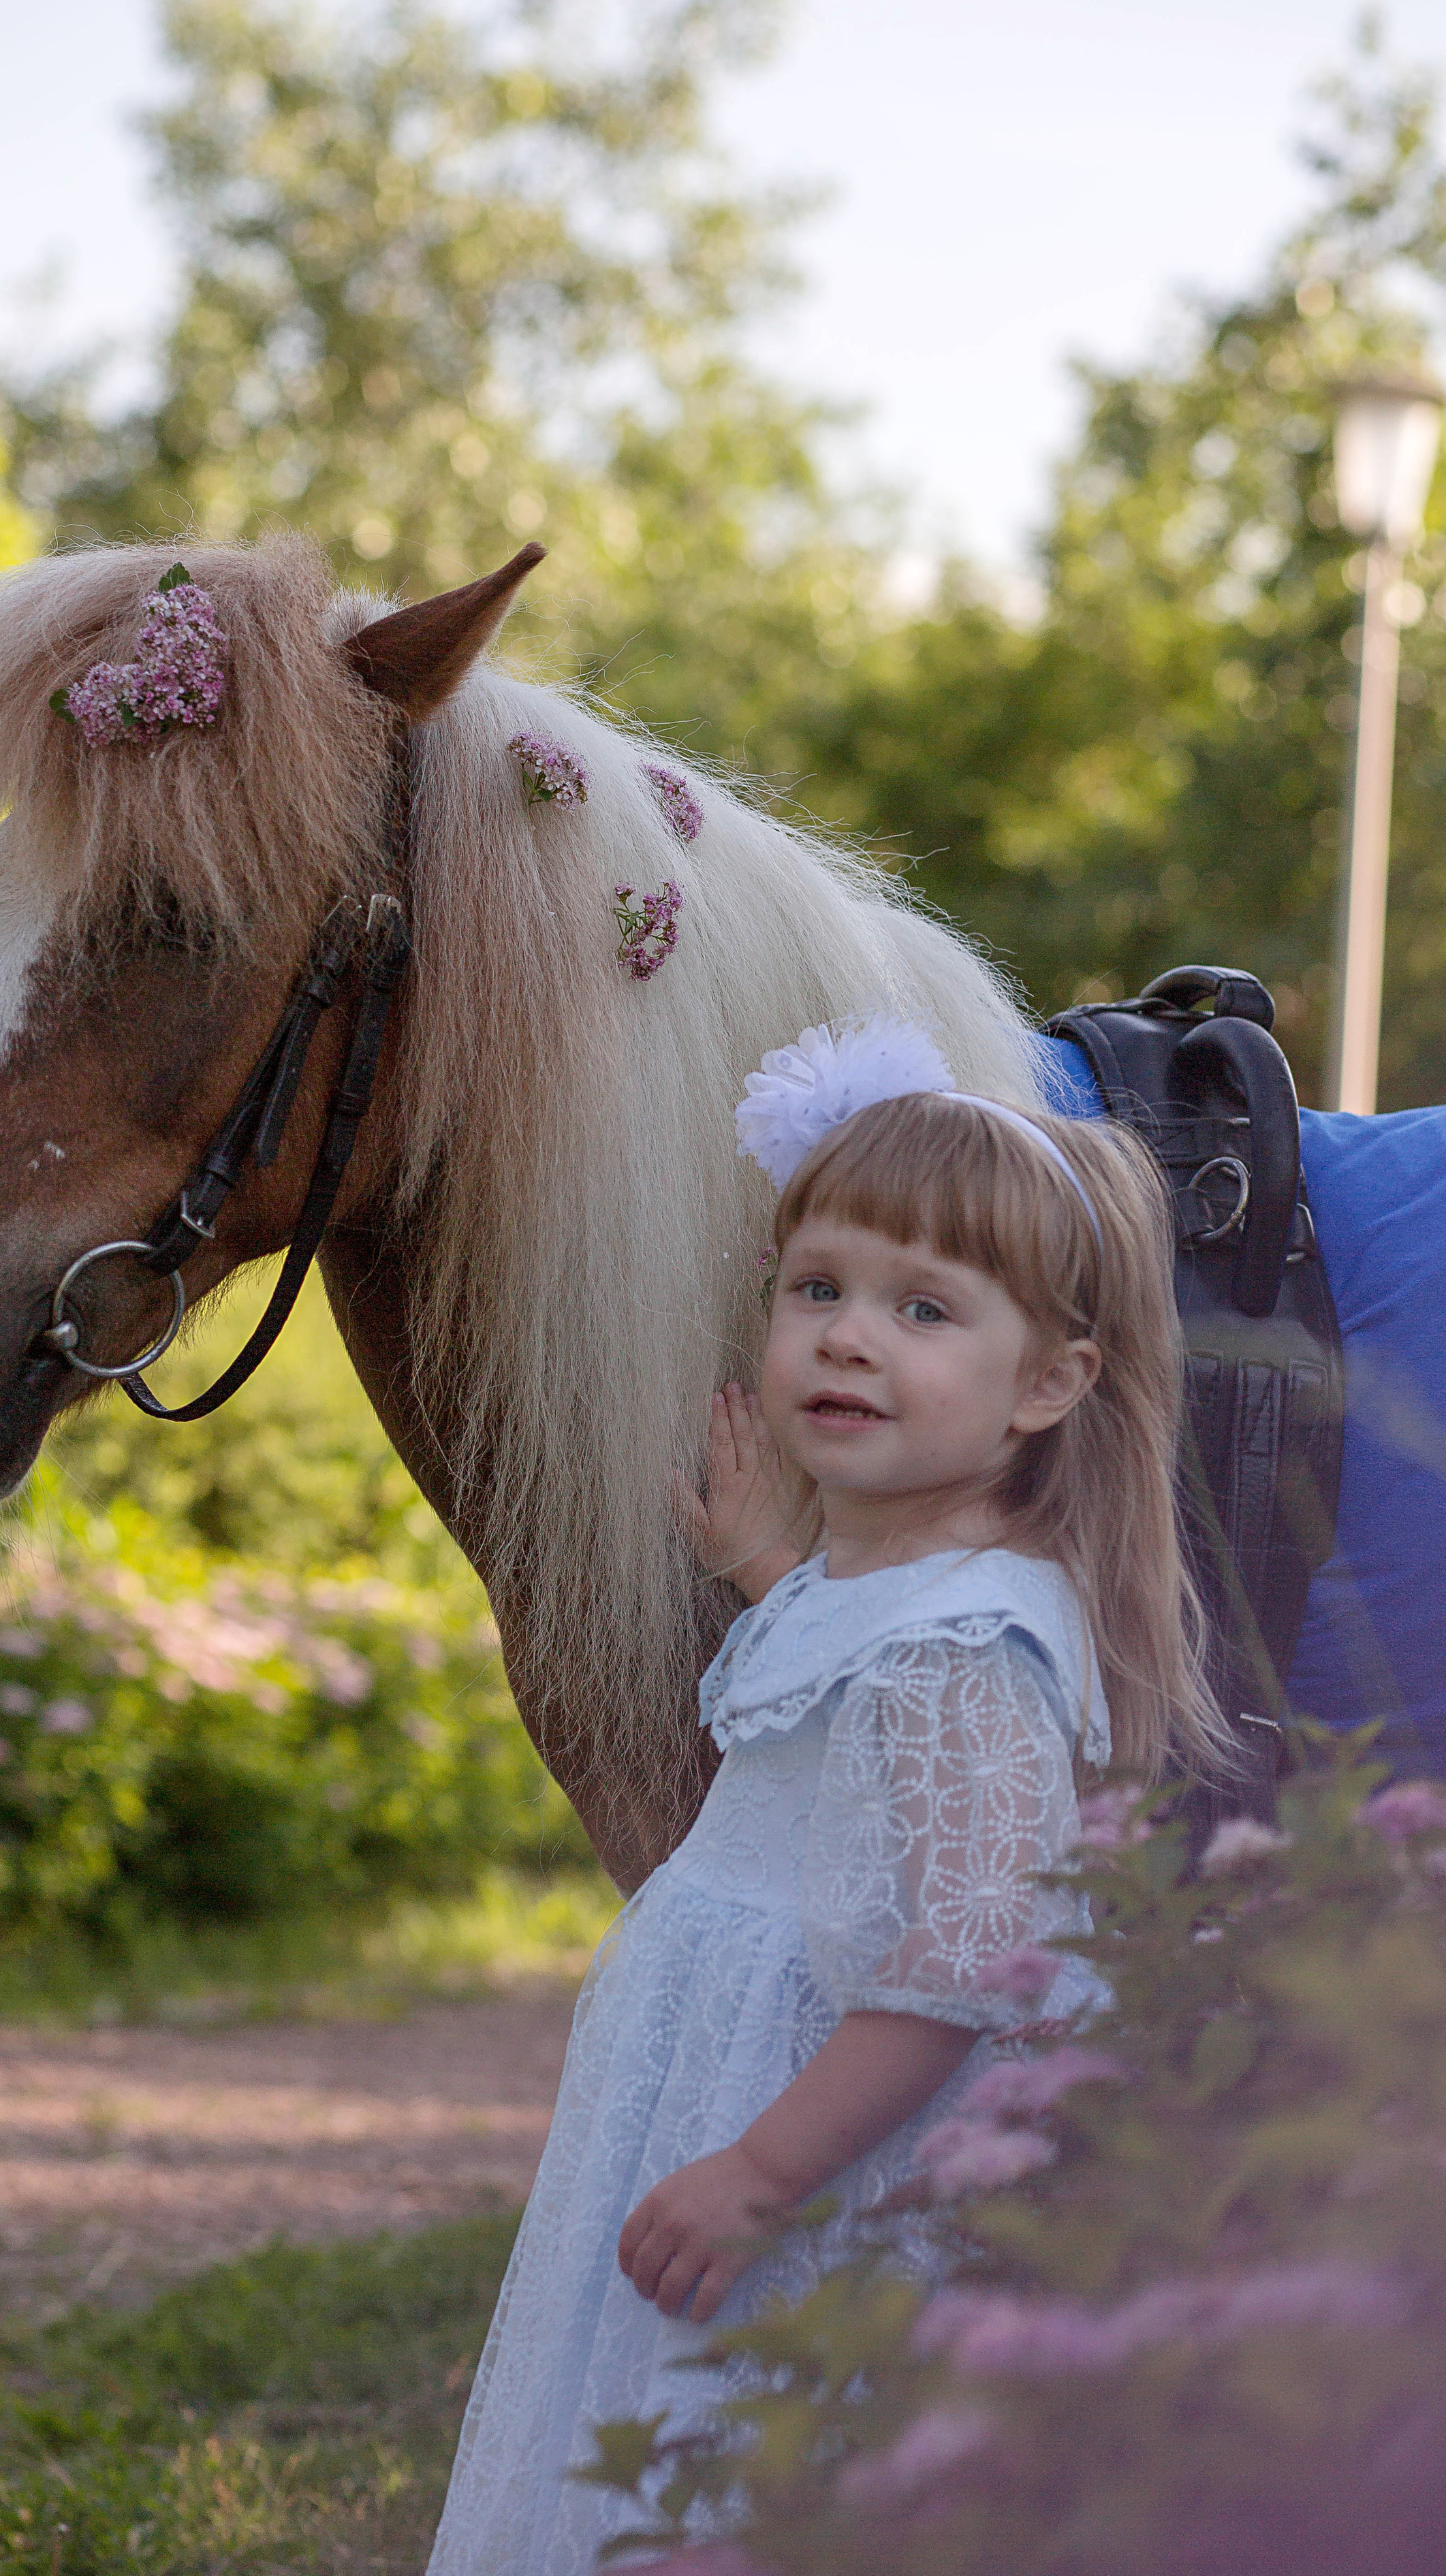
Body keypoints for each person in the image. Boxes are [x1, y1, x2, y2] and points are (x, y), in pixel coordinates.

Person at [425, 1019, 1233, 2576]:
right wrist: (762, 1571)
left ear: (1048, 1384)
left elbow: (964, 1964)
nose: (847, 1337)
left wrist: (761, 2176)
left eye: (921, 1308)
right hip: (735, 2092)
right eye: (818, 1290)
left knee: (760, 2465)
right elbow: (842, 1693)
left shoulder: (963, 1648)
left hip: (811, 2153)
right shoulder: (892, 1591)